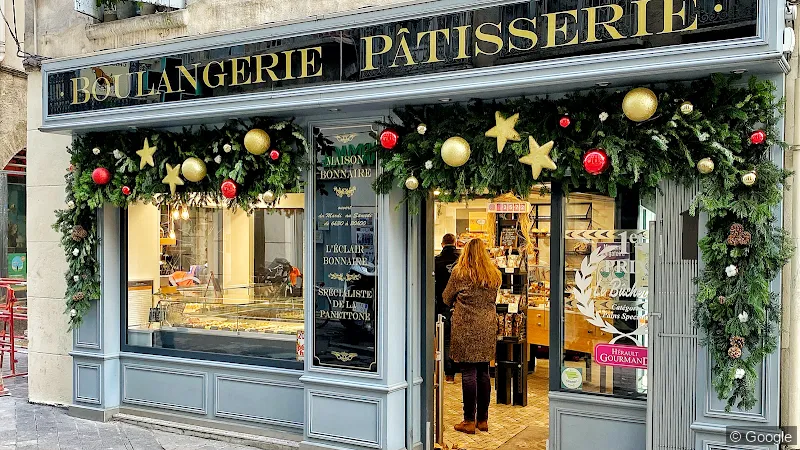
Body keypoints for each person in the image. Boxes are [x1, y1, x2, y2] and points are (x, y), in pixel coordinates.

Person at [443, 238, 501, 434]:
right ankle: (483, 420)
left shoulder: (460, 274)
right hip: (486, 326)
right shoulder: (494, 275)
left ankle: (468, 420)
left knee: (468, 372)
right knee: (484, 372)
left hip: (465, 326)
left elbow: (446, 297)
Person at [434, 233, 460, 383]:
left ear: (442, 244)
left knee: (445, 339)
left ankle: (447, 372)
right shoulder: (461, 261)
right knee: (458, 338)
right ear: (455, 243)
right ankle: (460, 369)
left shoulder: (436, 261)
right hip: (460, 305)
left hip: (442, 305)